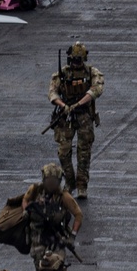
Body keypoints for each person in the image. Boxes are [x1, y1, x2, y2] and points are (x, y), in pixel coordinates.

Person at [47, 41, 105, 198]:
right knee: (63, 152)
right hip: (65, 116)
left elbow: (97, 89)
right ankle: (70, 181)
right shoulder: (62, 74)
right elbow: (52, 93)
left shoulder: (91, 72)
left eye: (78, 60)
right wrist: (63, 105)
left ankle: (81, 186)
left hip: (84, 115)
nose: (76, 63)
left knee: (84, 153)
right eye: (74, 60)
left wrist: (79, 103)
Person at [22, 164, 83, 271]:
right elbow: (25, 199)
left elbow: (78, 214)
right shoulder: (35, 190)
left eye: (54, 181)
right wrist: (25, 210)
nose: (51, 184)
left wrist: (72, 236)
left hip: (56, 238)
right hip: (38, 237)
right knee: (40, 267)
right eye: (49, 181)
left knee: (55, 267)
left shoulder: (64, 196)